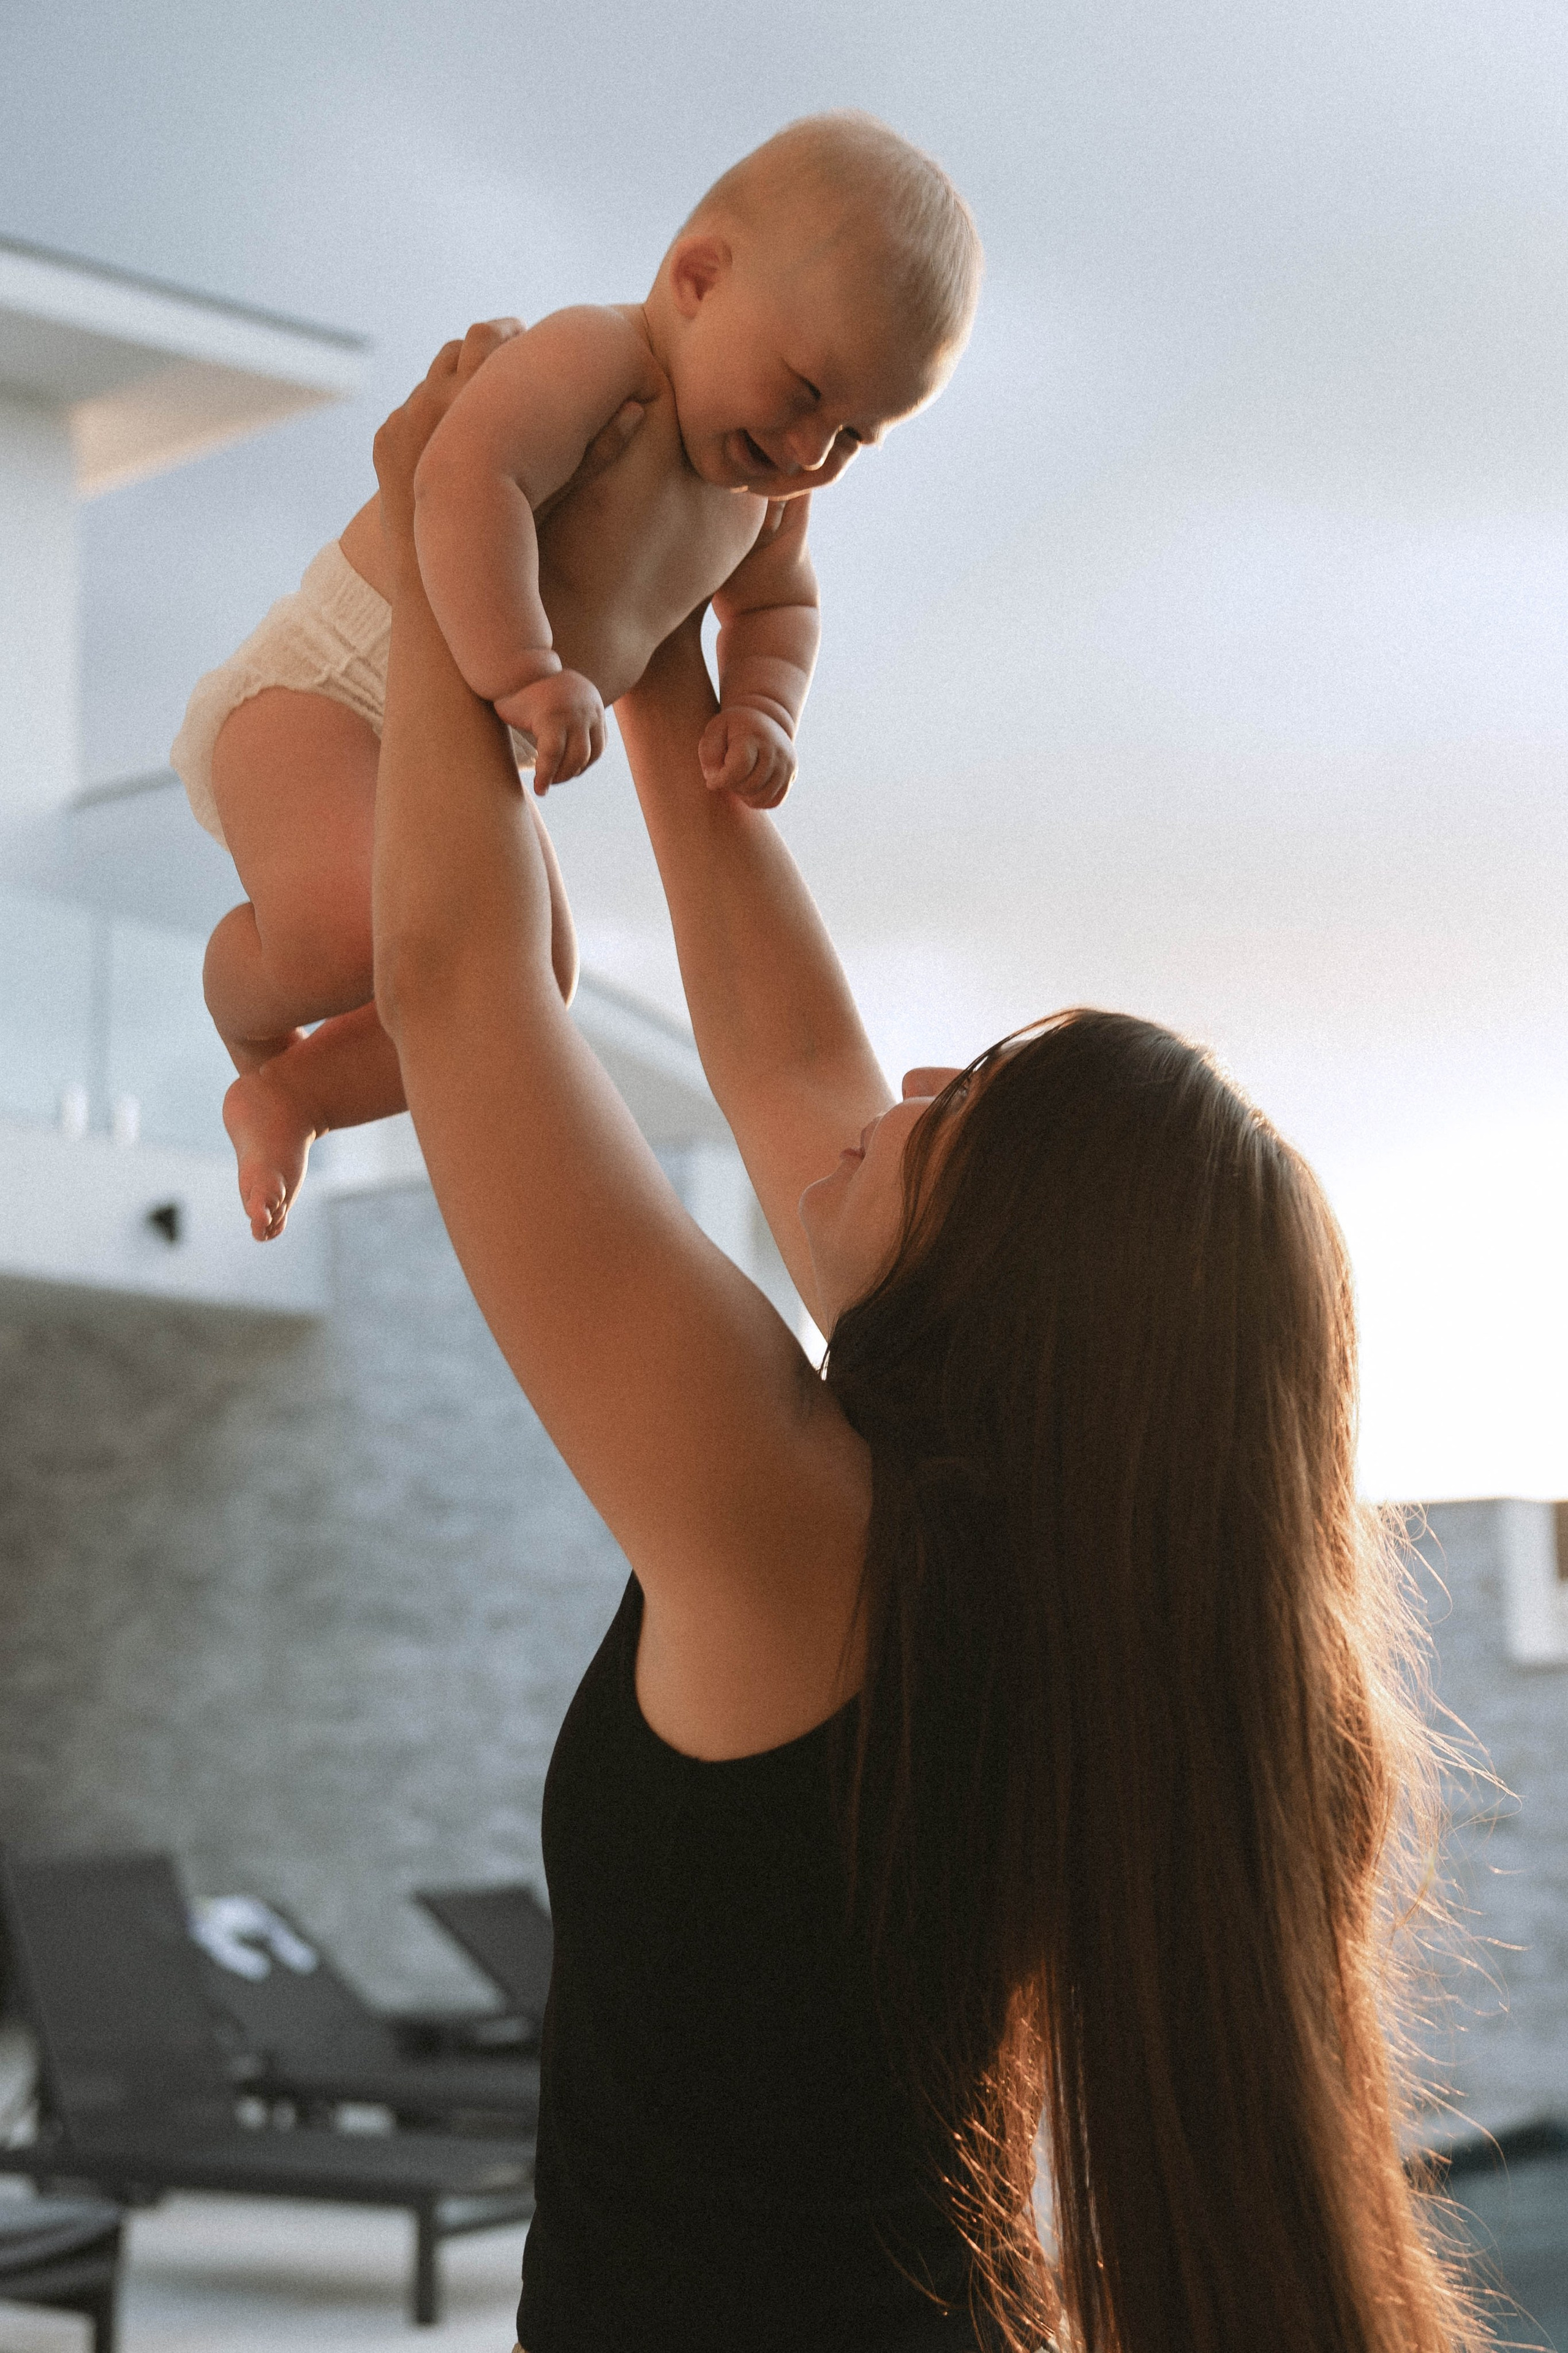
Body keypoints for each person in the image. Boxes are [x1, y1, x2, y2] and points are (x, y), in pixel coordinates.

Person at [368, 332, 1489, 2353]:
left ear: (1006, 1302)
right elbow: (795, 1064)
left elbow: (459, 986)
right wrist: (658, 665)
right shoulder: (1051, 1584)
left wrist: (439, 562)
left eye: (951, 1114)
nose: (901, 1073)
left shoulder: (802, 1536)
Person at [170, 111, 981, 1244]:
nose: (810, 451)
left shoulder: (767, 504)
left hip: (475, 740)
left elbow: (781, 608)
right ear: (698, 278)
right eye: (804, 392)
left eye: (854, 437)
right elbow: (462, 479)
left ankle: (292, 1095)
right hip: (331, 688)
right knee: (341, 935)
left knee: (529, 981)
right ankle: (236, 978)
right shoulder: (604, 360)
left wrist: (760, 704)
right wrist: (527, 668)